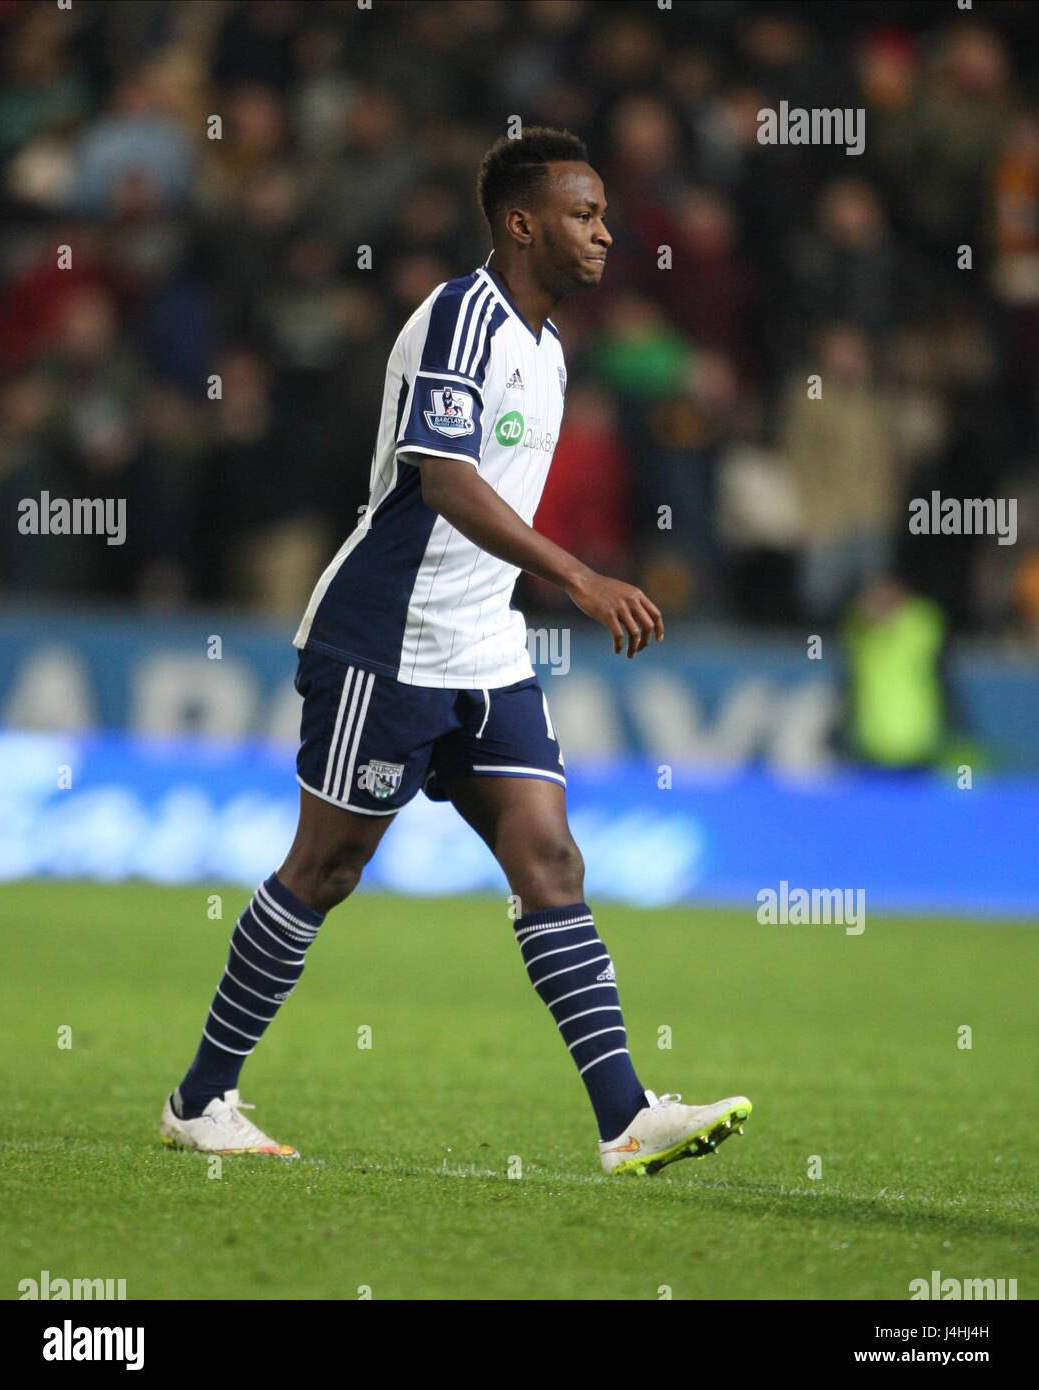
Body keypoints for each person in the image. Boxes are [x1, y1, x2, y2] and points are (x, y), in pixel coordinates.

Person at [159, 127, 751, 1176]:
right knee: (325, 867)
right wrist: (576, 575)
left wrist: (545, 584)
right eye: (583, 214)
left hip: (484, 646)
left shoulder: (552, 349)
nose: (605, 233)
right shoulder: (459, 317)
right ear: (522, 223)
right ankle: (200, 1098)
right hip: (386, 639)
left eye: (603, 213)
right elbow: (443, 479)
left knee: (550, 860)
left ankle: (624, 1118)